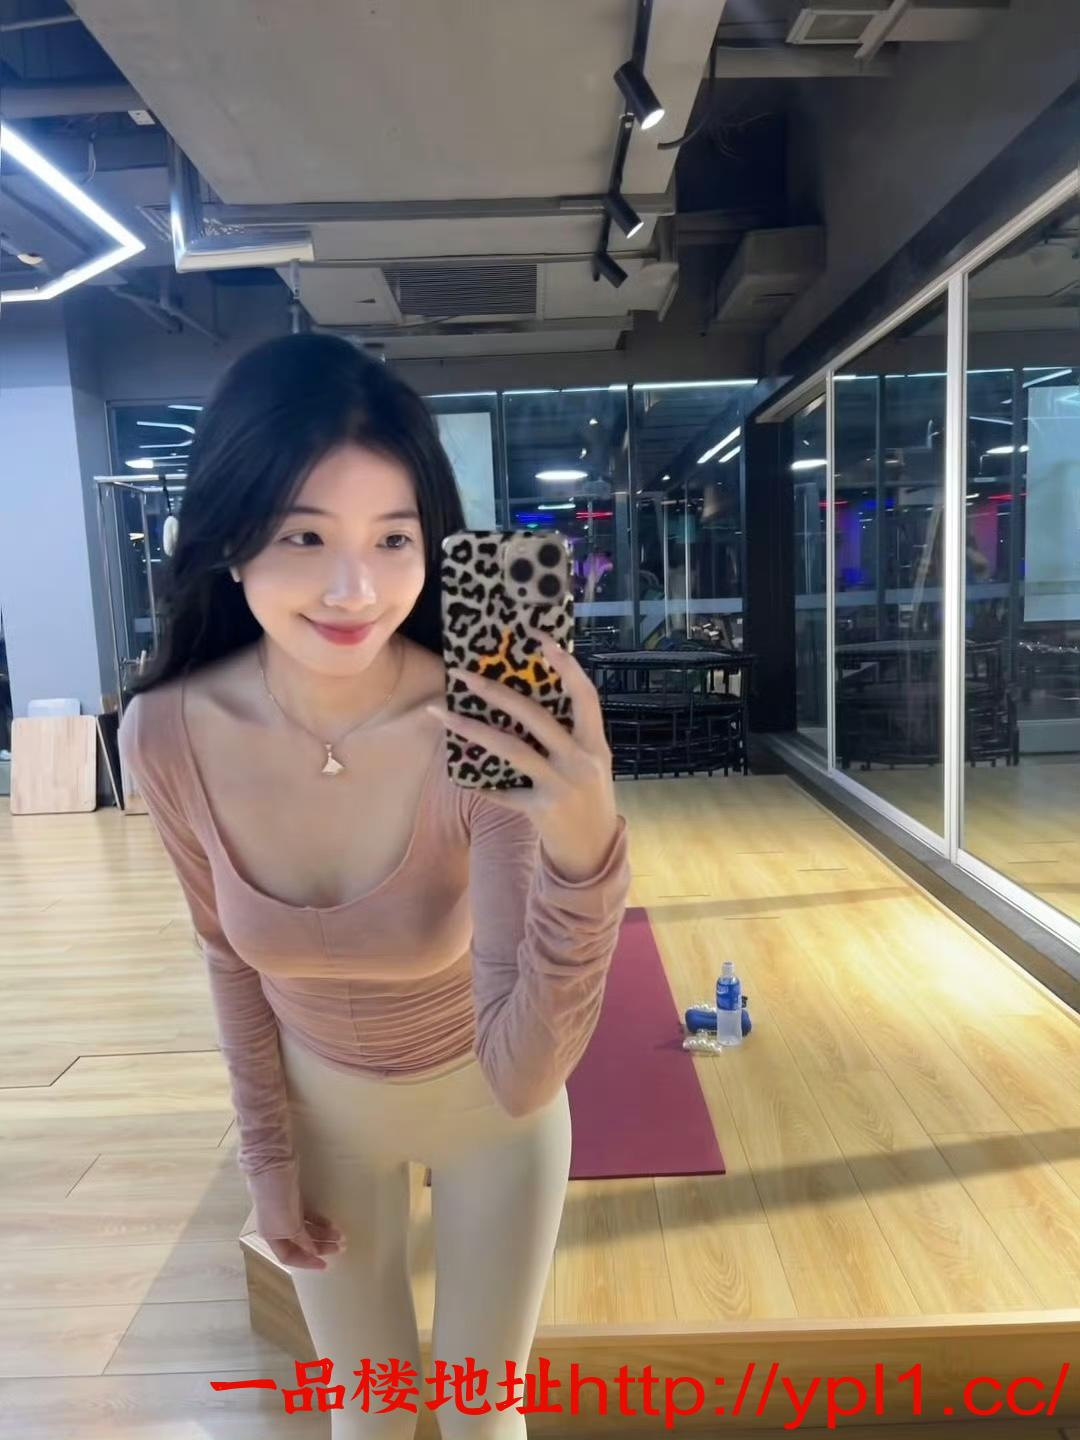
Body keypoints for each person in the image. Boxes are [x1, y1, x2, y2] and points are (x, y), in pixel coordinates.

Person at [117, 334, 631, 1439]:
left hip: (491, 1112)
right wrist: (267, 1160)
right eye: (305, 535)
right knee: (369, 1418)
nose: (356, 589)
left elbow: (523, 1069)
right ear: (230, 539)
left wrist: (584, 856)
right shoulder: (164, 732)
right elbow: (226, 954)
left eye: (395, 539)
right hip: (324, 1118)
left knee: (479, 1419)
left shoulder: (482, 717)